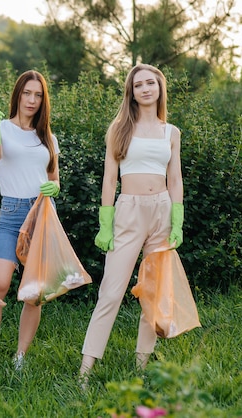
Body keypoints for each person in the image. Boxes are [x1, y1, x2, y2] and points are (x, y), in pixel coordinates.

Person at [79, 64, 185, 381]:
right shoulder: (119, 129)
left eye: (150, 83)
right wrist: (105, 222)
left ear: (160, 88)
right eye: (138, 85)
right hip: (128, 211)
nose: (145, 89)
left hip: (162, 211)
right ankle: (84, 372)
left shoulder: (171, 132)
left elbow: (176, 178)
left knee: (153, 294)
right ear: (132, 92)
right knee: (111, 293)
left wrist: (177, 219)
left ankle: (140, 368)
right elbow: (109, 180)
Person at [0, 70, 60, 373]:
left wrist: (54, 188)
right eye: (27, 93)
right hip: (11, 212)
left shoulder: (47, 136)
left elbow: (55, 179)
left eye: (38, 95)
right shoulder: (1, 127)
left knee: (34, 293)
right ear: (17, 95)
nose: (32, 100)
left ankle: (20, 356)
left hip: (41, 213)